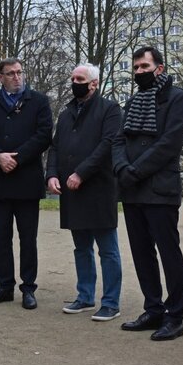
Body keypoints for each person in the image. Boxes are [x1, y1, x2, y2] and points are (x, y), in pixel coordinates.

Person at [113, 46, 183, 341]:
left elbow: (170, 143)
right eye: (135, 68)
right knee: (142, 253)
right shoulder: (133, 101)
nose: (139, 72)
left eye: (144, 66)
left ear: (159, 68)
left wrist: (136, 170)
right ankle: (153, 309)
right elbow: (118, 140)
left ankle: (175, 316)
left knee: (169, 254)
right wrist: (122, 168)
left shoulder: (178, 98)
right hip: (132, 190)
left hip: (159, 189)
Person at [0, 58, 52, 310]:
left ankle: (28, 287)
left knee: (28, 238)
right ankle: (4, 286)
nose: (17, 77)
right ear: (0, 77)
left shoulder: (38, 101)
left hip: (27, 179)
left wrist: (17, 158)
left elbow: (44, 135)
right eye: (11, 73)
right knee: (1, 237)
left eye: (19, 72)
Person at [46, 63, 122, 322]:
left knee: (108, 249)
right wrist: (51, 174)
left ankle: (110, 302)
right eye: (73, 78)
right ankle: (85, 296)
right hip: (72, 190)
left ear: (94, 83)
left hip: (98, 188)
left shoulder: (110, 109)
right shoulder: (66, 113)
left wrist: (81, 172)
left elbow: (108, 144)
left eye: (80, 79)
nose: (74, 82)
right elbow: (55, 147)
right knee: (81, 248)